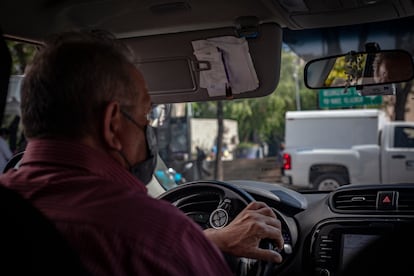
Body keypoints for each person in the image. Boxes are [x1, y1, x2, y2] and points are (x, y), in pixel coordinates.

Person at [0, 30, 284, 275]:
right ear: (112, 123)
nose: (148, 129)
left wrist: (206, 241)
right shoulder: (155, 237)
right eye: (146, 115)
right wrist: (190, 246)